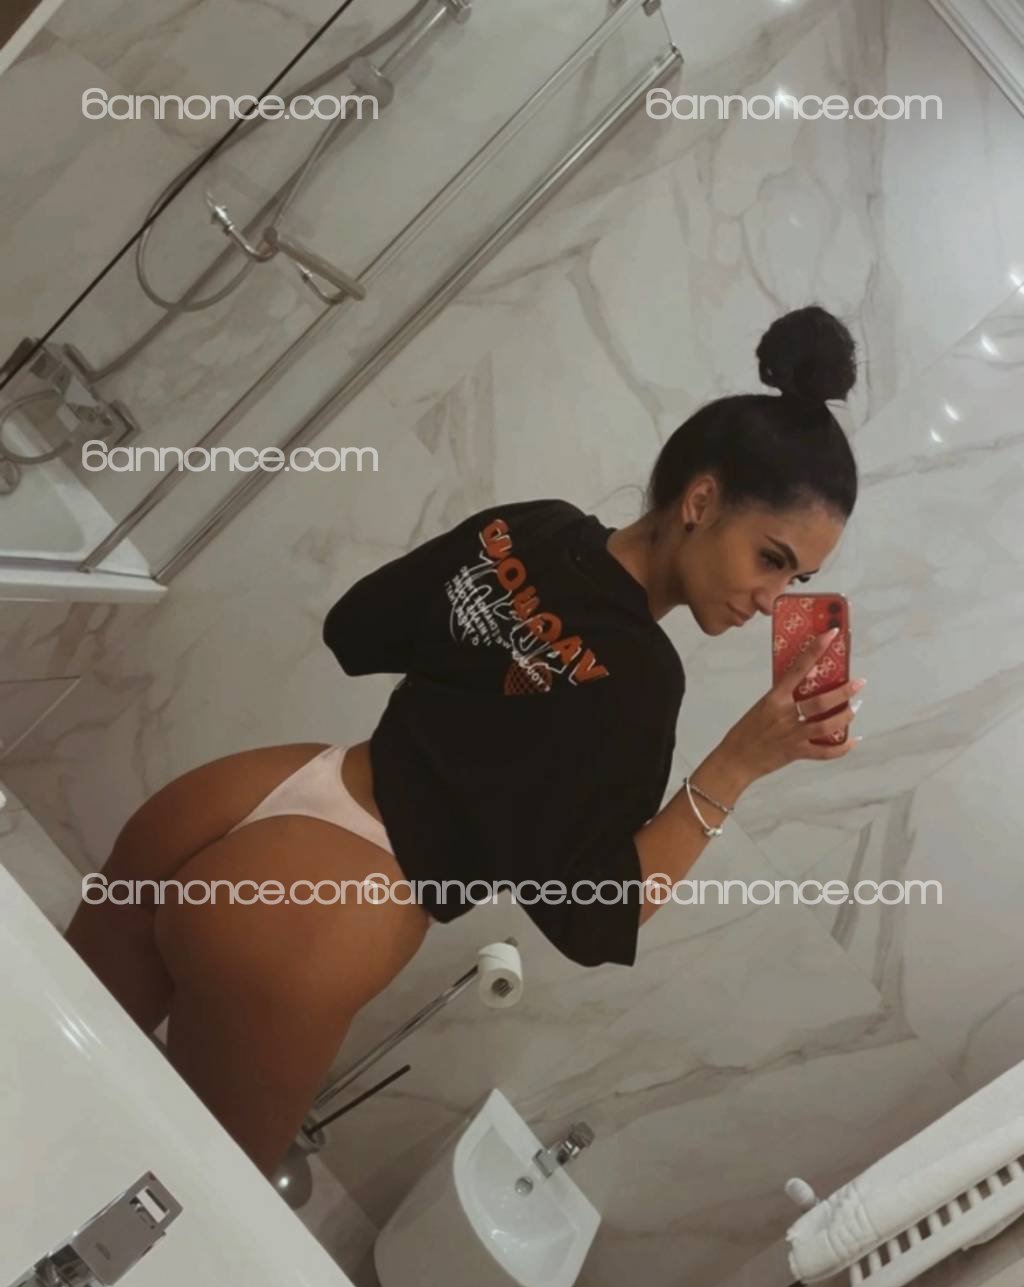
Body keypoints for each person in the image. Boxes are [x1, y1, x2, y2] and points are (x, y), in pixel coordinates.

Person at [65, 304, 865, 1179]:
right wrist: (738, 764)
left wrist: (496, 651)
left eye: (798, 578)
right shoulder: (642, 679)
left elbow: (357, 627)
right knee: (170, 1205)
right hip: (315, 918)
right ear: (701, 501)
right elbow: (594, 912)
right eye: (771, 558)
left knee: (39, 1075)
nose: (771, 599)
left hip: (235, 799)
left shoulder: (534, 526)